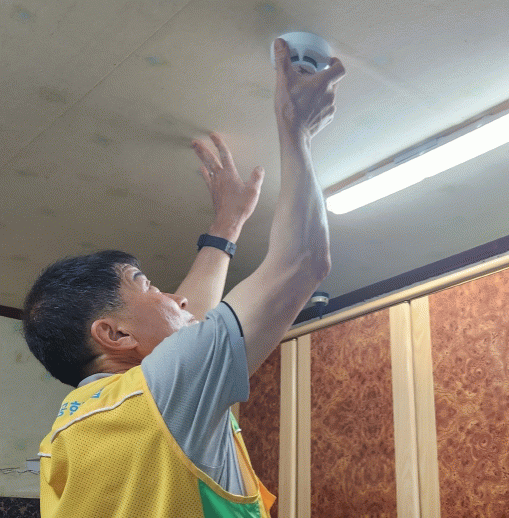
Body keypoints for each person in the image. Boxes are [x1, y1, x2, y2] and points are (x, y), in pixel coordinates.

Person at [22, 38, 345, 518]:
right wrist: (295, 128)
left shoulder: (68, 436)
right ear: (114, 334)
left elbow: (187, 325)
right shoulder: (163, 392)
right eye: (149, 286)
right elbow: (301, 262)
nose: (178, 298)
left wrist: (226, 227)